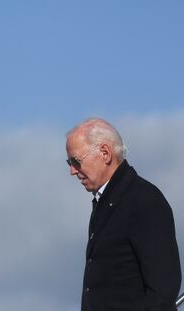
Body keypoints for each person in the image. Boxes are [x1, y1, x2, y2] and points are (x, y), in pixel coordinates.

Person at [65, 117, 181, 311]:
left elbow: (163, 290)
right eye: (69, 162)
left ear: (105, 153)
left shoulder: (143, 200)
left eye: (76, 161)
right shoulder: (105, 203)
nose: (72, 171)